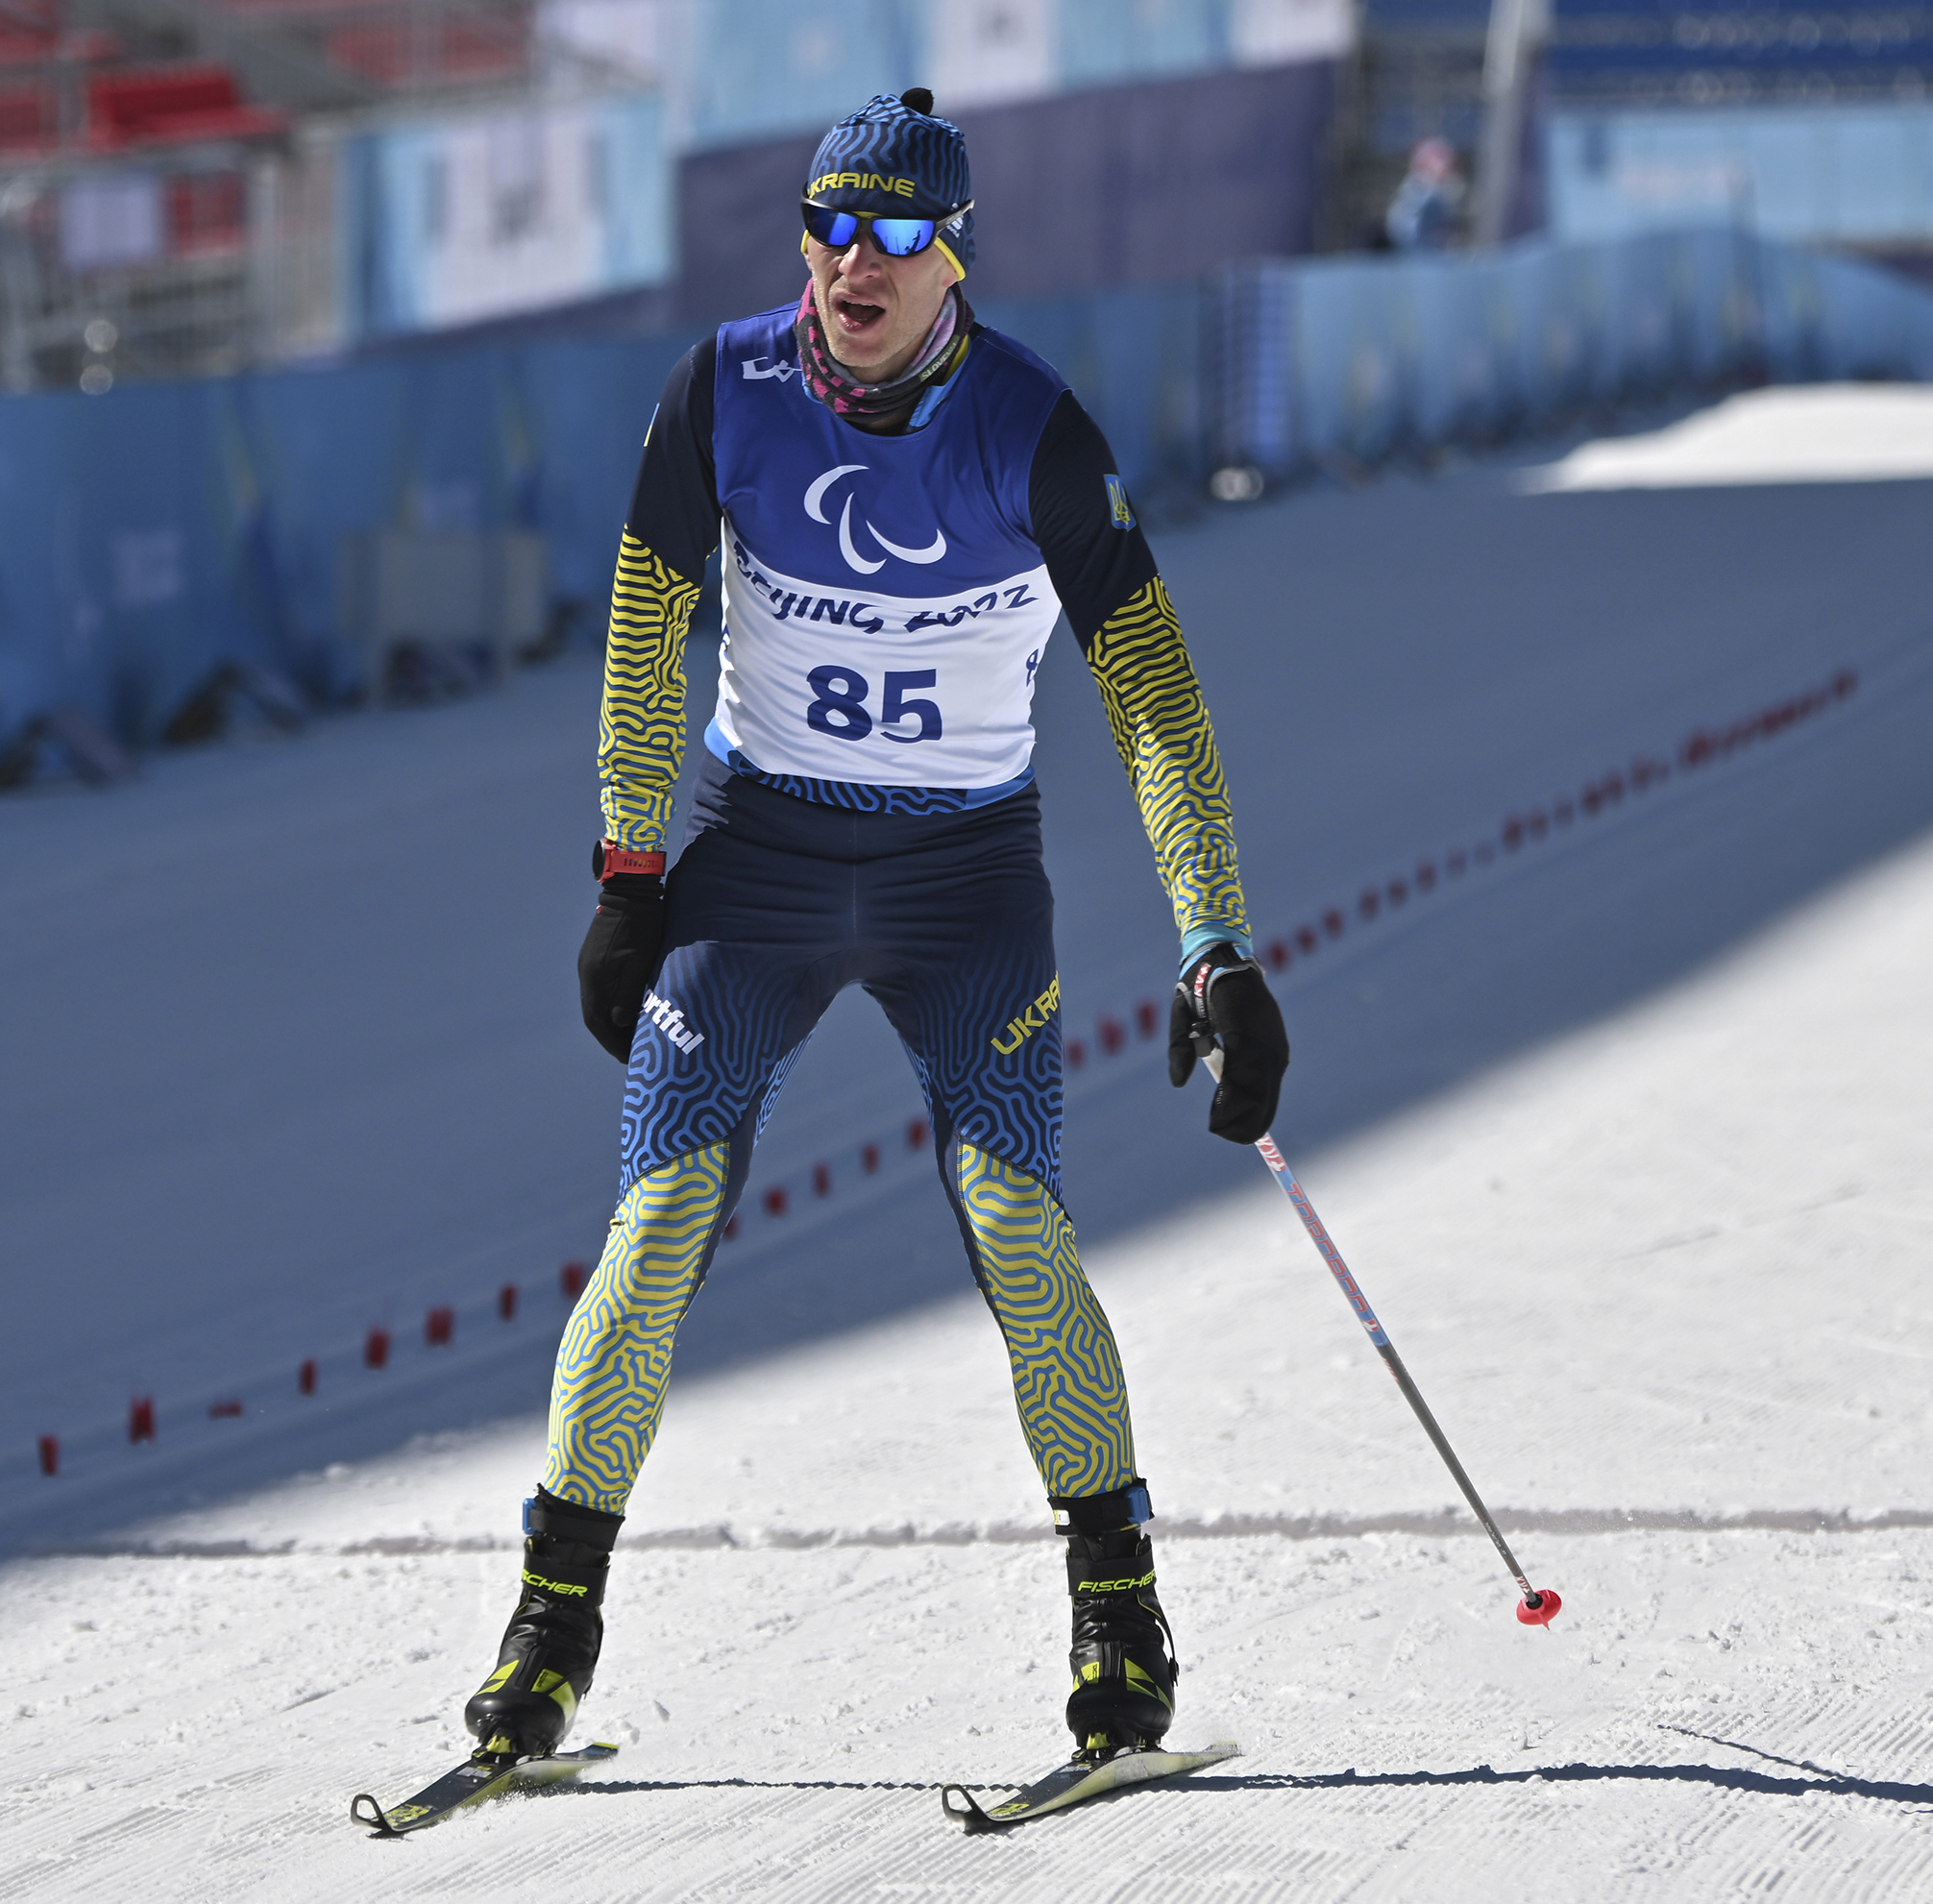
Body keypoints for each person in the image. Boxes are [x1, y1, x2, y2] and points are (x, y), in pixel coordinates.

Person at [458, 88, 1290, 1773]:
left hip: (963, 880)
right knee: (656, 1223)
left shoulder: (1033, 428)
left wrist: (1216, 941)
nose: (855, 261)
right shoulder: (727, 389)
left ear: (956, 250)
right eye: (830, 226)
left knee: (1016, 1220)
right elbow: (645, 629)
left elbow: (1152, 697)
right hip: (755, 864)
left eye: (896, 231)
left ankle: (1120, 1616)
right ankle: (548, 1631)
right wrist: (628, 877)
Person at [1383, 136, 1464, 252]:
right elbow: (1406, 238)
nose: (1445, 167)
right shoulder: (1417, 198)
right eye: (1439, 159)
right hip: (1418, 262)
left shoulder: (1440, 196)